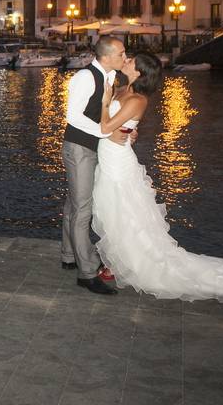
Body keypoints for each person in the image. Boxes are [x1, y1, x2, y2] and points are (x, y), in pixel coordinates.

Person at [92, 52, 223, 304]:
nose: (127, 60)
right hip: (109, 157)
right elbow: (118, 126)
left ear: (139, 72)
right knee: (114, 213)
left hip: (118, 163)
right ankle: (119, 262)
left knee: (125, 214)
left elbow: (105, 127)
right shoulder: (121, 88)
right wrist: (127, 128)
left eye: (131, 60)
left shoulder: (137, 99)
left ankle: (130, 265)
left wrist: (105, 104)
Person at [61, 36, 127, 295]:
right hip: (79, 148)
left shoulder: (109, 78)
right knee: (83, 209)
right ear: (107, 56)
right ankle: (87, 273)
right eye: (121, 53)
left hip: (88, 148)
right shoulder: (86, 78)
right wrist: (105, 132)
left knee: (73, 204)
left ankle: (68, 254)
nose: (125, 57)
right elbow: (72, 115)